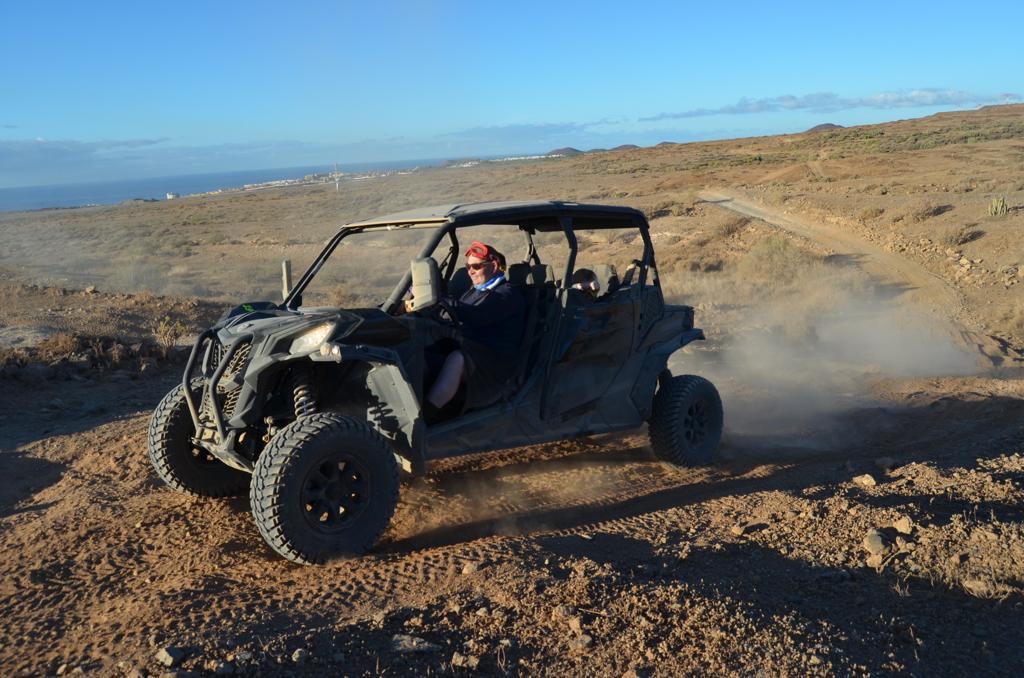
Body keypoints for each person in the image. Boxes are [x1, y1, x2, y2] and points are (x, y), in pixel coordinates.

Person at [424, 241, 526, 419]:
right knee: (423, 346)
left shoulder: (506, 294)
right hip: (474, 349)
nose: (470, 271)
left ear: (494, 266)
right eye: (468, 266)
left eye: (476, 266)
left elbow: (476, 316)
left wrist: (442, 300)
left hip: (494, 361)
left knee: (457, 359)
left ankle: (427, 414)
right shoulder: (474, 292)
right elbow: (457, 314)